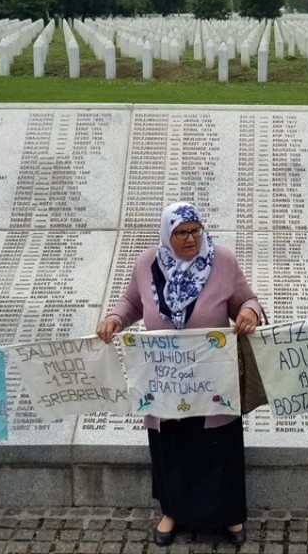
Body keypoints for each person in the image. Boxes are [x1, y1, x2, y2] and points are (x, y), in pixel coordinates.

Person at [96, 202, 262, 547]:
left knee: (217, 448)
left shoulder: (223, 261)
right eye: (181, 232)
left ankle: (229, 516)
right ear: (166, 234)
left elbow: (248, 301)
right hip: (164, 378)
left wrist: (249, 314)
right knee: (171, 448)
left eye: (195, 230)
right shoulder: (147, 264)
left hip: (211, 378)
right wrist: (114, 319)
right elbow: (131, 304)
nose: (190, 238)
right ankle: (172, 512)